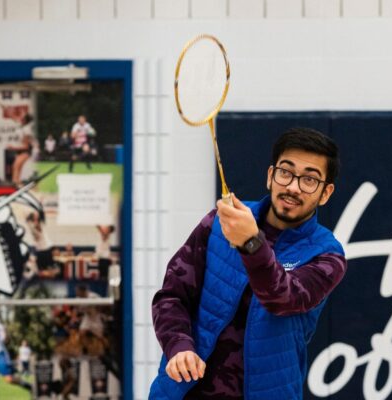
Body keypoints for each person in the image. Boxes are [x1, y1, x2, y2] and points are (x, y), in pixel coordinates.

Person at [149, 128, 347, 399]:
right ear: (270, 176)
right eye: (285, 172)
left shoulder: (327, 256)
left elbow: (282, 299)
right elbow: (172, 296)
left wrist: (251, 243)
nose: (293, 186)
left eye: (310, 179)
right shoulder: (218, 222)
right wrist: (179, 345)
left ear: (325, 193)